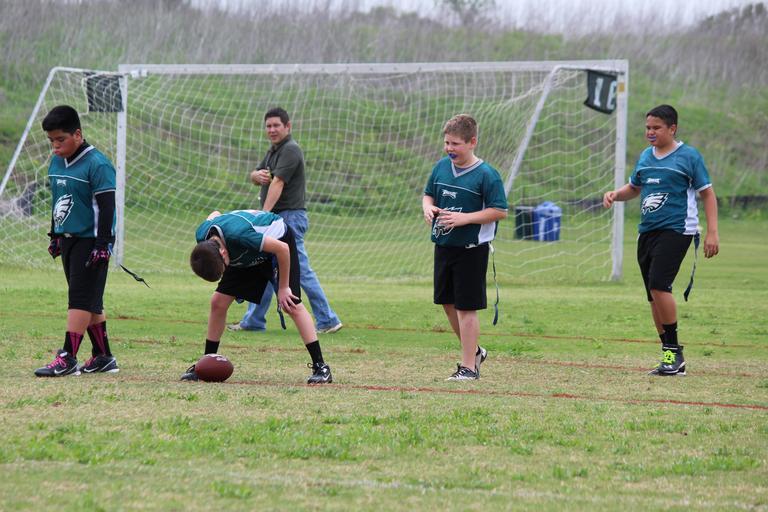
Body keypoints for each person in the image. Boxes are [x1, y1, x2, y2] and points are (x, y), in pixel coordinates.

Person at [603, 104, 719, 376]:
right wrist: (615, 194)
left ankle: (674, 353)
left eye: (656, 128)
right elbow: (635, 188)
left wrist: (713, 232)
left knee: (659, 284)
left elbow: (707, 194)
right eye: (647, 128)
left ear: (672, 128)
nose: (650, 132)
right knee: (654, 296)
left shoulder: (689, 156)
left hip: (677, 229)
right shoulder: (646, 156)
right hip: (647, 231)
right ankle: (671, 357)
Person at [184, 209, 333, 384]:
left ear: (223, 253)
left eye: (223, 269)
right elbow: (214, 214)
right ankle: (206, 363)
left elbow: (283, 249)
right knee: (218, 302)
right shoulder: (203, 236)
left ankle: (321, 367)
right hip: (246, 252)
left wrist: (283, 288)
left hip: (277, 245)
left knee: (291, 304)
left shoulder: (241, 236)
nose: (225, 273)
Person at [228, 107, 342, 334]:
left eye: (276, 125)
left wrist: (263, 215)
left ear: (287, 126)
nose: (272, 130)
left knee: (300, 271)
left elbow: (278, 183)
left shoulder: (290, 150)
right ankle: (253, 321)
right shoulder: (274, 150)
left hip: (289, 217)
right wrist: (254, 175)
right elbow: (258, 174)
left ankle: (328, 319)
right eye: (268, 126)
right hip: (277, 217)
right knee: (262, 267)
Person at [34, 105, 119, 377]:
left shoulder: (98, 164)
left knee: (80, 299)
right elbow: (58, 201)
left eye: (61, 139)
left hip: (91, 240)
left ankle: (68, 358)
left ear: (78, 134)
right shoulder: (57, 161)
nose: (55, 146)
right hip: (69, 239)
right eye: (51, 141)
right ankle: (103, 357)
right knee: (90, 300)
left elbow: (107, 208)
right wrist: (56, 234)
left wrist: (103, 245)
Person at [422, 114, 508, 381]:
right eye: (447, 142)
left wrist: (465, 219)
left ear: (472, 142)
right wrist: (427, 207)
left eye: (455, 144)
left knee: (465, 308)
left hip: (471, 249)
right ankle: (476, 352)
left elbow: (500, 211)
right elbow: (428, 194)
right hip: (444, 245)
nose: (449, 148)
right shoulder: (441, 167)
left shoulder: (487, 175)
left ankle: (468, 367)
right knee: (447, 303)